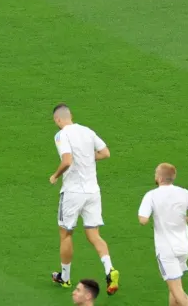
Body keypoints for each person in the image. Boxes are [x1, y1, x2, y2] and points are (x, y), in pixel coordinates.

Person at [49, 104, 120, 295]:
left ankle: (64, 276)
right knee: (94, 234)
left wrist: (55, 175)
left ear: (58, 120)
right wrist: (88, 158)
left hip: (73, 192)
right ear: (70, 115)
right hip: (93, 192)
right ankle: (109, 269)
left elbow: (67, 161)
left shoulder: (62, 135)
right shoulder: (87, 131)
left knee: (66, 234)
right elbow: (105, 153)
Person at [138, 163, 188, 306]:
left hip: (166, 249)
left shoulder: (151, 195)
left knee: (177, 290)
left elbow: (143, 220)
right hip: (183, 247)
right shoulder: (184, 192)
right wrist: (186, 219)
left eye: (156, 173)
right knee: (173, 288)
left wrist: (147, 218)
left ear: (160, 178)